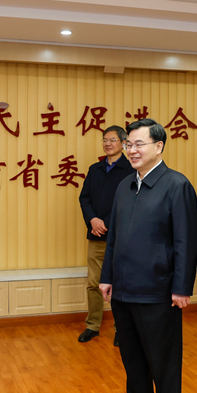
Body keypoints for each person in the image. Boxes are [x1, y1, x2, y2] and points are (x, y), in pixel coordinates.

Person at [98, 118, 197, 393]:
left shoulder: (176, 185)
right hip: (124, 290)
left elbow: (186, 241)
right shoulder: (125, 185)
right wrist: (107, 276)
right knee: (132, 357)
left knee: (164, 363)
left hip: (159, 291)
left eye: (139, 144)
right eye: (129, 144)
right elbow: (114, 237)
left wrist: (181, 287)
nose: (132, 150)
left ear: (159, 147)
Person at [78, 125, 132, 345]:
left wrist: (105, 223)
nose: (107, 144)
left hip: (119, 238)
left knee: (119, 284)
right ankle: (92, 325)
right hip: (96, 235)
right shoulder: (95, 169)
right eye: (104, 140)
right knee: (93, 283)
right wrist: (93, 219)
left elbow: (128, 203)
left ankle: (122, 328)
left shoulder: (130, 170)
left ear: (123, 143)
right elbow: (84, 198)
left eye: (112, 140)